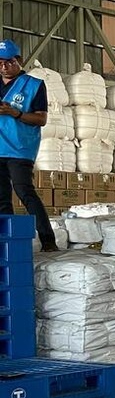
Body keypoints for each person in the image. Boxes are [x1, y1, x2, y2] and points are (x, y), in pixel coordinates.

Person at [0, 40, 56, 251]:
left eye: (9, 61)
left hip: (20, 149)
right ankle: (7, 241)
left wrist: (17, 113)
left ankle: (48, 240)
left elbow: (41, 119)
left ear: (20, 61)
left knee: (25, 191)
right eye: (0, 62)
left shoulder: (34, 85)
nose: (4, 66)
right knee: (2, 198)